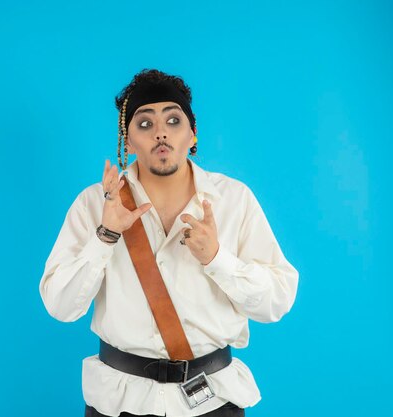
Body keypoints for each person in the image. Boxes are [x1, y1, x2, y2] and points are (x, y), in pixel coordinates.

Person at [39, 69, 299, 417]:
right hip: (120, 403)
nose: (160, 132)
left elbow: (277, 302)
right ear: (127, 141)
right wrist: (105, 236)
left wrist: (217, 259)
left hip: (213, 402)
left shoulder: (234, 200)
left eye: (173, 120)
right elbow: (60, 306)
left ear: (192, 133)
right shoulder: (95, 204)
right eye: (144, 124)